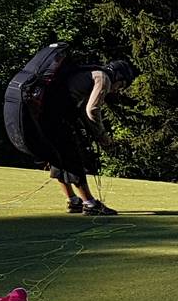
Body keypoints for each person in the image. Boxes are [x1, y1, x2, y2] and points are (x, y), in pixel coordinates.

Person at [44, 57, 134, 215]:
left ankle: (73, 201)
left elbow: (84, 111)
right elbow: (92, 110)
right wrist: (103, 138)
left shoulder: (89, 73)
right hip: (59, 119)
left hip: (47, 117)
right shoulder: (103, 78)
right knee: (73, 160)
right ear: (118, 76)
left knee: (59, 160)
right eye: (122, 85)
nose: (118, 90)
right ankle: (90, 204)